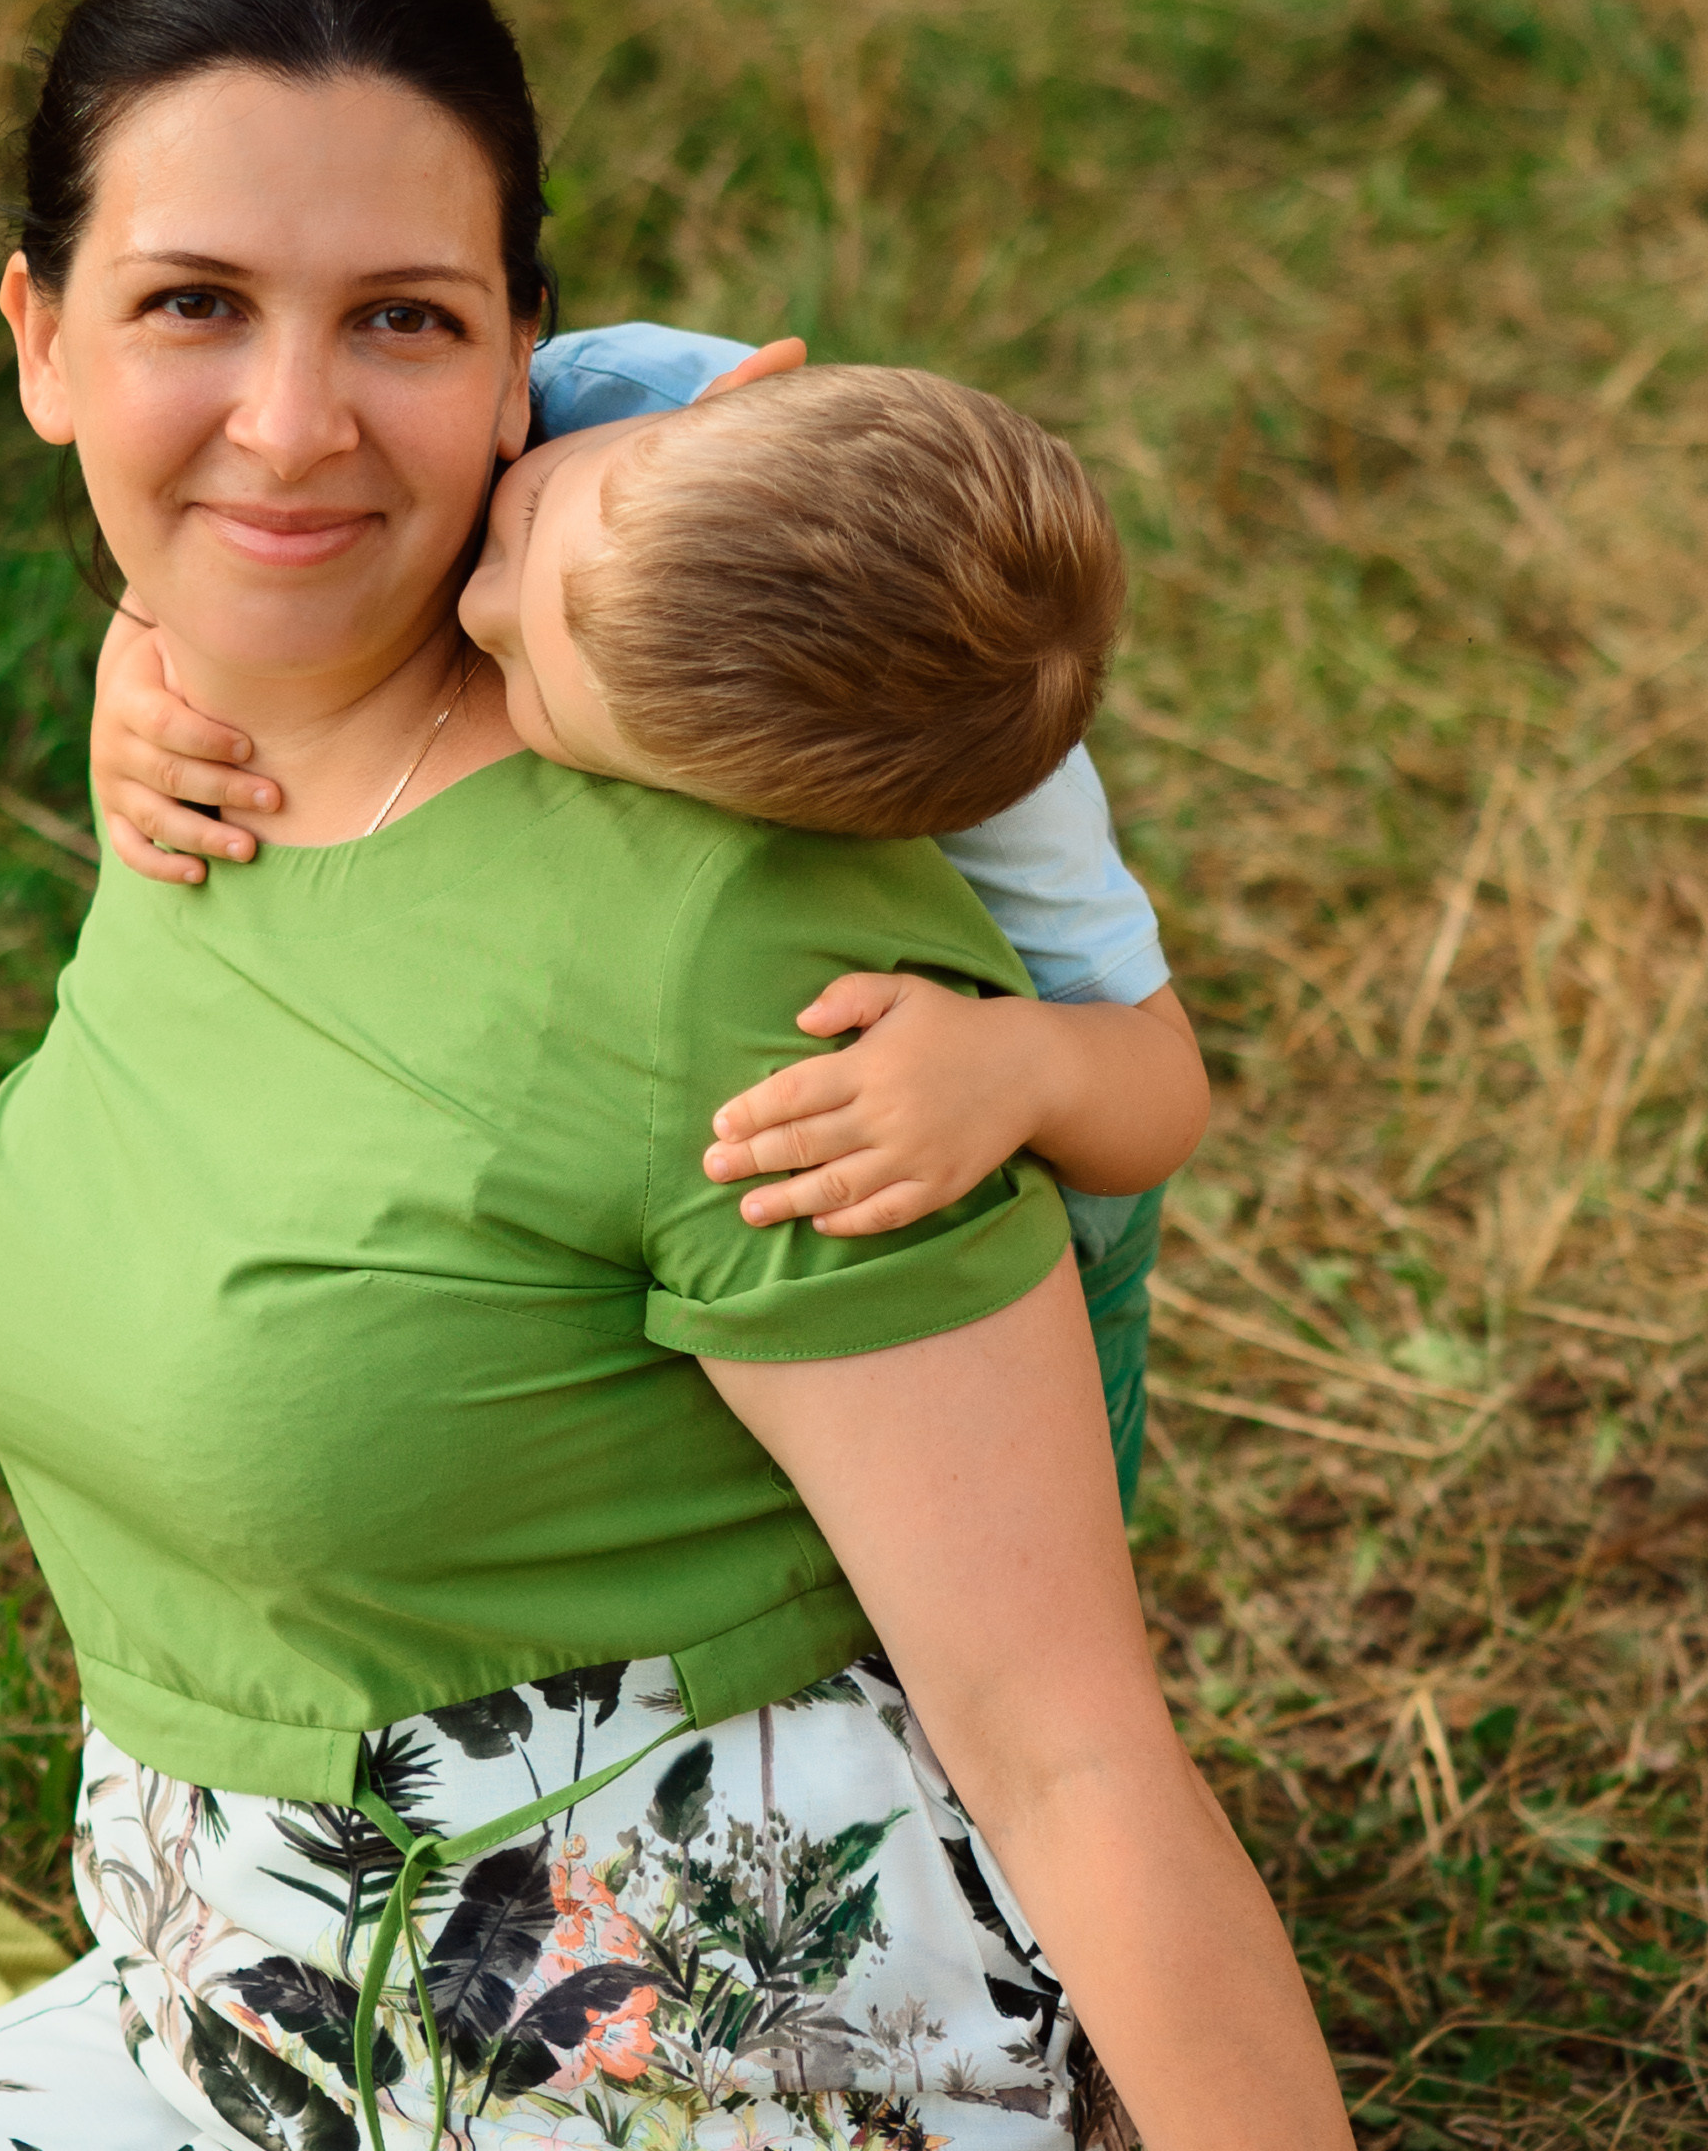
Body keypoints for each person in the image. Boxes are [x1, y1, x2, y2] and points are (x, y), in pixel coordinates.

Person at [0, 0, 1349, 2151]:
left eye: (401, 320)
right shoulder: (197, 734)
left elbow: (1072, 1742)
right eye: (193, 306)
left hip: (687, 2048)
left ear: (528, 351)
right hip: (227, 1994)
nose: (294, 426)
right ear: (41, 341)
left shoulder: (747, 933)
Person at [89, 335, 1182, 1502]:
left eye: (527, 678)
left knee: (1028, 1487)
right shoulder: (587, 398)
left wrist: (1025, 1068)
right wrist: (138, 660)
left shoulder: (1015, 804)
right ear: (736, 390)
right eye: (532, 523)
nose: (476, 598)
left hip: (1049, 1253)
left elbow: (1166, 1084)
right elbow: (222, 533)